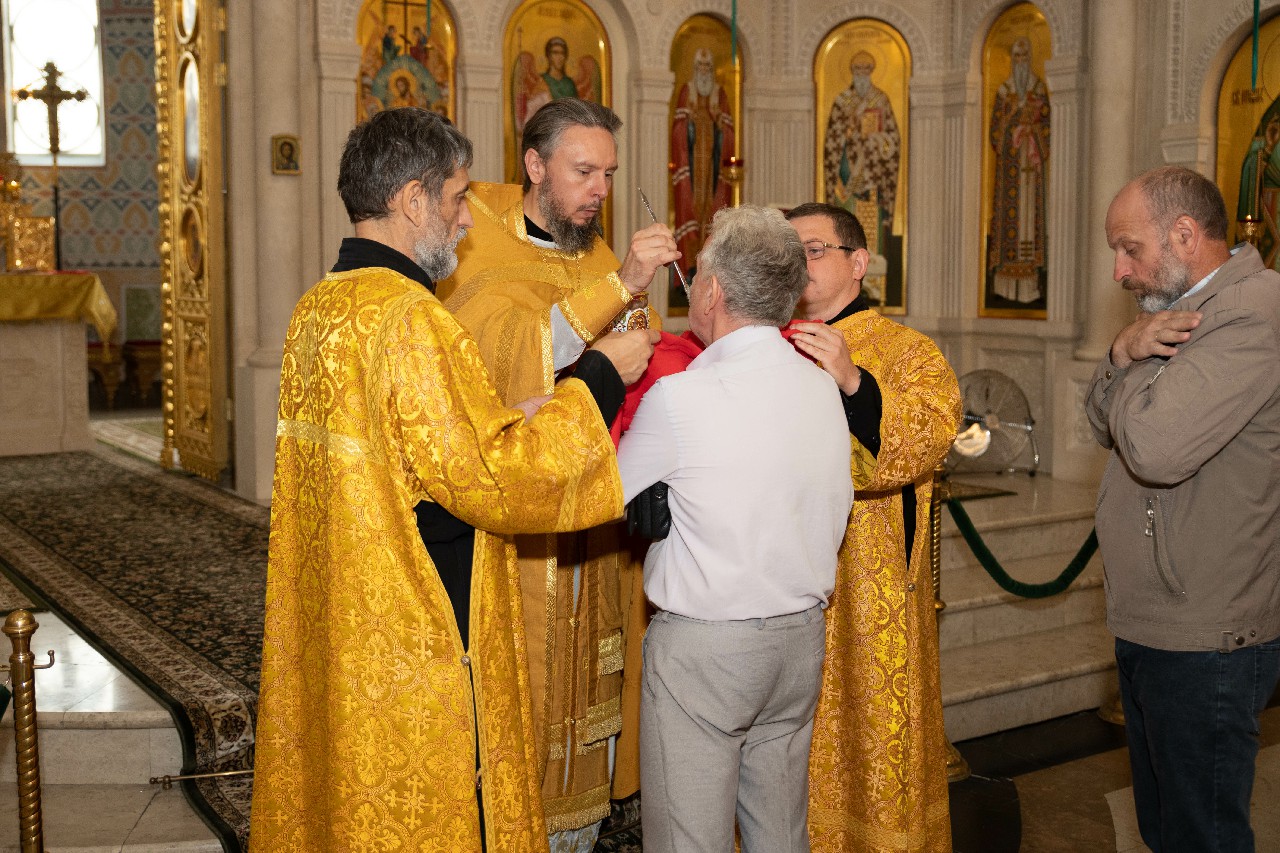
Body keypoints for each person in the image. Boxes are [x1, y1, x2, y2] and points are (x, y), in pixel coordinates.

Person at [248, 107, 658, 852]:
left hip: (350, 604)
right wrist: (598, 376)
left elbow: (410, 440)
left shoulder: (322, 305)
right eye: (457, 198)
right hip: (424, 613)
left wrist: (508, 413)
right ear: (413, 201)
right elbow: (496, 483)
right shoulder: (413, 319)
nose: (469, 218)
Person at [438, 97, 679, 850]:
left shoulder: (600, 256)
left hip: (591, 511)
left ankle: (580, 827)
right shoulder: (474, 230)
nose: (600, 189)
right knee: (523, 683)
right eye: (583, 172)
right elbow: (490, 351)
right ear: (535, 165)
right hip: (512, 516)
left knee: (589, 678)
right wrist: (620, 289)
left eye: (609, 173)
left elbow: (634, 364)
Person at [617, 204, 853, 852]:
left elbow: (607, 491)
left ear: (714, 290)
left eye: (698, 273)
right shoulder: (821, 387)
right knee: (780, 835)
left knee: (688, 840)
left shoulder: (683, 396)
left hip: (708, 652)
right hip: (798, 641)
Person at [1087, 165, 1280, 853]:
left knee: (1203, 837)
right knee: (1164, 830)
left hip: (1207, 631)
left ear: (1186, 235)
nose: (1119, 270)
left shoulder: (1252, 313)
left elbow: (1154, 449)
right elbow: (1100, 423)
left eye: (1129, 248)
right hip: (1155, 616)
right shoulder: (1170, 313)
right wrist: (1123, 350)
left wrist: (1131, 359)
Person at [784, 202, 961, 853]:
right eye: (789, 253)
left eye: (814, 249)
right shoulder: (767, 345)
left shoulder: (909, 351)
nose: (800, 264)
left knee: (873, 748)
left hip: (869, 595)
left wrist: (854, 380)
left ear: (858, 262)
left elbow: (925, 438)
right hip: (778, 585)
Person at [986, 36, 1050, 305]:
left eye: (1025, 57)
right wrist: (1014, 118)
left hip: (1031, 173)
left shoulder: (1038, 91)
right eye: (1016, 57)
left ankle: (1030, 287)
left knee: (1029, 226)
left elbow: (1047, 128)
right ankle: (1005, 288)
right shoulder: (1004, 92)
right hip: (1009, 174)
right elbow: (995, 132)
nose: (1020, 62)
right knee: (1009, 227)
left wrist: (1032, 128)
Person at [822, 51, 901, 262]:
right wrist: (851, 127)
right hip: (847, 175)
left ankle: (871, 261)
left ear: (872, 71)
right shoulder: (842, 101)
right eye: (858, 69)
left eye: (866, 69)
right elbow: (832, 141)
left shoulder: (880, 100)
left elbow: (893, 140)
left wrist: (878, 140)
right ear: (852, 72)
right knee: (845, 222)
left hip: (873, 176)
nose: (862, 74)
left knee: (871, 222)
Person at [670, 47, 735, 286]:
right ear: (695, 69)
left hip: (713, 168)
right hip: (691, 164)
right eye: (701, 67)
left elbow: (729, 133)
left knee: (711, 213)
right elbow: (677, 130)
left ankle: (710, 270)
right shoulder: (687, 91)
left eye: (708, 67)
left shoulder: (720, 94)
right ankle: (689, 268)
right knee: (692, 210)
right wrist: (689, 124)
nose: (705, 71)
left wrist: (719, 124)